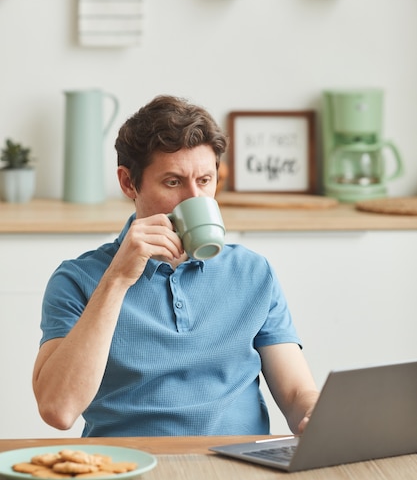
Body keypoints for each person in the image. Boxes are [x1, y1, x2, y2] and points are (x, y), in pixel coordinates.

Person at [33, 94, 318, 437]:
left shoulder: (253, 273)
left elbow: (296, 394)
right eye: (173, 182)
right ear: (128, 183)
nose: (195, 200)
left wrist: (316, 413)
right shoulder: (78, 279)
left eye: (205, 181)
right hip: (127, 471)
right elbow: (58, 410)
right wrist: (118, 279)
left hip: (239, 470)